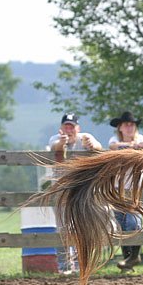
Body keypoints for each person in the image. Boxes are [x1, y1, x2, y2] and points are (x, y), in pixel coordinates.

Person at [47, 112, 102, 274]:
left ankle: (80, 265)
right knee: (63, 228)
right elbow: (55, 149)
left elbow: (99, 147)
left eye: (72, 127)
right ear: (61, 128)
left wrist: (92, 145)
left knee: (81, 226)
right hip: (62, 189)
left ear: (78, 128)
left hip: (81, 190)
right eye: (66, 126)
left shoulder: (85, 138)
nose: (69, 130)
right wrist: (61, 144)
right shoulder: (55, 139)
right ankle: (64, 266)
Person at [108, 111, 143, 270]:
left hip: (135, 188)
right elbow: (112, 146)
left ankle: (134, 256)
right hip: (117, 188)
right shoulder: (116, 140)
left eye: (131, 125)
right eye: (126, 125)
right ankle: (128, 260)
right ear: (120, 128)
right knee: (121, 223)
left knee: (133, 222)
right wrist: (133, 147)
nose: (129, 127)